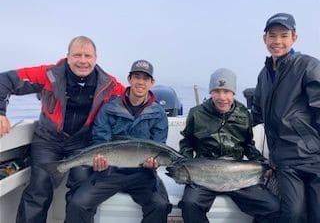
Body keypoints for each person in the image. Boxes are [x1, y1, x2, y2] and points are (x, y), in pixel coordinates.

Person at [0, 36, 125, 223]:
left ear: (95, 58)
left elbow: (135, 104)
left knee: (81, 192)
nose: (82, 60)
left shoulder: (109, 85)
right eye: (77, 55)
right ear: (67, 56)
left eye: (87, 56)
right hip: (48, 140)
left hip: (83, 143)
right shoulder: (48, 74)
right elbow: (5, 80)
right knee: (39, 189)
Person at [66, 59, 171, 223]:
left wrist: (153, 164)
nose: (141, 82)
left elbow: (159, 145)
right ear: (129, 79)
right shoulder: (109, 108)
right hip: (109, 172)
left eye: (145, 78)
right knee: (78, 204)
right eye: (137, 77)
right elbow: (100, 141)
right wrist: (100, 161)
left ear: (152, 82)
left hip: (143, 175)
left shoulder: (159, 114)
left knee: (160, 206)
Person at [178, 68, 280, 223]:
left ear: (233, 93)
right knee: (189, 204)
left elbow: (248, 145)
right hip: (205, 173)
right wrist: (186, 165)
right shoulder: (196, 113)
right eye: (217, 91)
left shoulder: (243, 114)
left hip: (237, 175)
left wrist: (262, 163)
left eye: (226, 91)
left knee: (272, 207)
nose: (222, 97)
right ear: (211, 92)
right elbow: (187, 142)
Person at [252, 13, 320, 223]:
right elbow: (256, 114)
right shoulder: (264, 74)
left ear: (294, 38)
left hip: (314, 156)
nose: (277, 41)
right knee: (293, 214)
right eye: (272, 36)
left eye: (284, 35)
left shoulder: (308, 65)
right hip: (285, 160)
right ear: (265, 39)